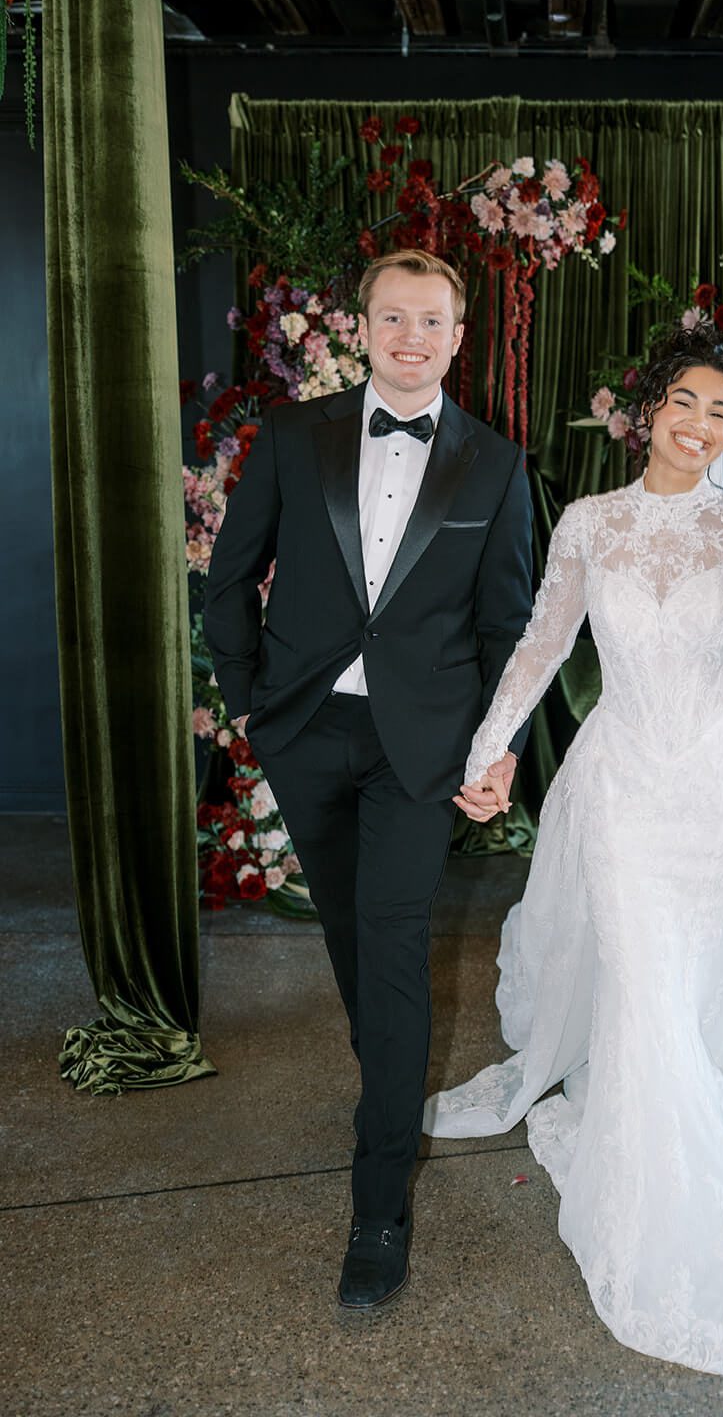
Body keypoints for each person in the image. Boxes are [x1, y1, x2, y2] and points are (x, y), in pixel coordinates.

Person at [424, 325, 723, 1375]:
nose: (697, 424)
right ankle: (661, 1215)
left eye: (719, 411)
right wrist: (487, 745)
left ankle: (694, 1112)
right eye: (682, 402)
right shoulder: (590, 525)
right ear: (646, 410)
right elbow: (542, 643)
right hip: (624, 787)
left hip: (722, 785)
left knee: (684, 990)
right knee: (639, 986)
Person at [204, 250, 533, 1310]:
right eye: (391, 318)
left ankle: (378, 1205)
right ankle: (387, 1071)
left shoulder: (495, 464)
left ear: (456, 334)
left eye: (428, 321)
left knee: (391, 947)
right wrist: (250, 702)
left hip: (419, 751)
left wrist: (494, 751)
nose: (408, 337)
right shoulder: (295, 436)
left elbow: (507, 630)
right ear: (363, 328)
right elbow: (228, 577)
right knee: (349, 934)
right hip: (302, 729)